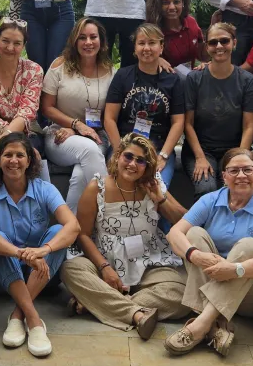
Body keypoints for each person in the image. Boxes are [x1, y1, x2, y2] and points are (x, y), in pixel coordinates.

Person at [61, 134, 189, 336]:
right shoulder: (97, 187)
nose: (132, 164)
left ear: (147, 166)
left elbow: (184, 220)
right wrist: (104, 268)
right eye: (128, 157)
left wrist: (160, 199)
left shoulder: (154, 185)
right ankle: (136, 313)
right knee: (71, 269)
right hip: (106, 265)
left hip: (148, 262)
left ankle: (99, 303)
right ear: (118, 155)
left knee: (181, 293)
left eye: (141, 161)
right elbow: (83, 235)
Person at [165, 148, 253, 357]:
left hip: (252, 293)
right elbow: (174, 233)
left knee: (249, 246)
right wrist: (195, 255)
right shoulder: (211, 200)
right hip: (215, 279)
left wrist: (235, 269)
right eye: (234, 170)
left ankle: (200, 324)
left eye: (248, 170)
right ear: (224, 176)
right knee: (194, 234)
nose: (241, 175)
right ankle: (214, 324)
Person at [0, 133, 80, 357]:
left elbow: (73, 226)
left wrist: (43, 250)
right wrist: (20, 254)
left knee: (58, 232)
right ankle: (33, 318)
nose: (14, 160)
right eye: (8, 155)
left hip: (40, 275)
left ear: (29, 161)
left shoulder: (44, 188)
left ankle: (17, 314)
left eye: (20, 155)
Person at [40, 17, 114, 212]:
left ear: (101, 41)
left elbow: (110, 115)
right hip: (59, 134)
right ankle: (112, 210)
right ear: (74, 41)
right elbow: (46, 107)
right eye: (82, 37)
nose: (88, 42)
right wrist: (75, 125)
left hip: (97, 134)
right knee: (89, 151)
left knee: (81, 174)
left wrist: (79, 130)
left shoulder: (110, 71)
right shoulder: (59, 65)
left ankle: (71, 225)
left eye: (93, 37)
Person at [103, 23, 186, 188]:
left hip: (158, 149)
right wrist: (120, 152)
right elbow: (109, 118)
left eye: (152, 43)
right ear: (135, 49)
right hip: (125, 145)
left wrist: (163, 156)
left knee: (158, 189)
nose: (146, 48)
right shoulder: (122, 76)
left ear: (161, 47)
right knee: (117, 187)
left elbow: (178, 122)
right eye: (141, 43)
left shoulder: (173, 80)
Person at [182, 22, 253, 196]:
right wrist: (200, 157)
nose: (219, 46)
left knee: (236, 188)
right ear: (207, 47)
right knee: (206, 188)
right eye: (213, 42)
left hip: (234, 148)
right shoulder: (194, 78)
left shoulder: (247, 80)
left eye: (224, 41)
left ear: (234, 43)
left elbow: (249, 125)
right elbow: (188, 124)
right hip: (201, 149)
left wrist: (240, 158)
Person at [0, 20, 45, 192]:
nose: (10, 47)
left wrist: (6, 138)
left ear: (24, 46)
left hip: (28, 133)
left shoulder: (34, 70)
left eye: (17, 43)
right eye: (5, 41)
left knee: (15, 155)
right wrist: (5, 139)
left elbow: (27, 112)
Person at [145, 0, 206, 78]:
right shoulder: (152, 30)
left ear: (183, 3)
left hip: (189, 80)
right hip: (163, 81)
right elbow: (142, 57)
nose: (172, 7)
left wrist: (213, 28)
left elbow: (203, 56)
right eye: (166, 3)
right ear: (158, 5)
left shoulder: (191, 22)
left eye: (176, 2)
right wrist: (156, 59)